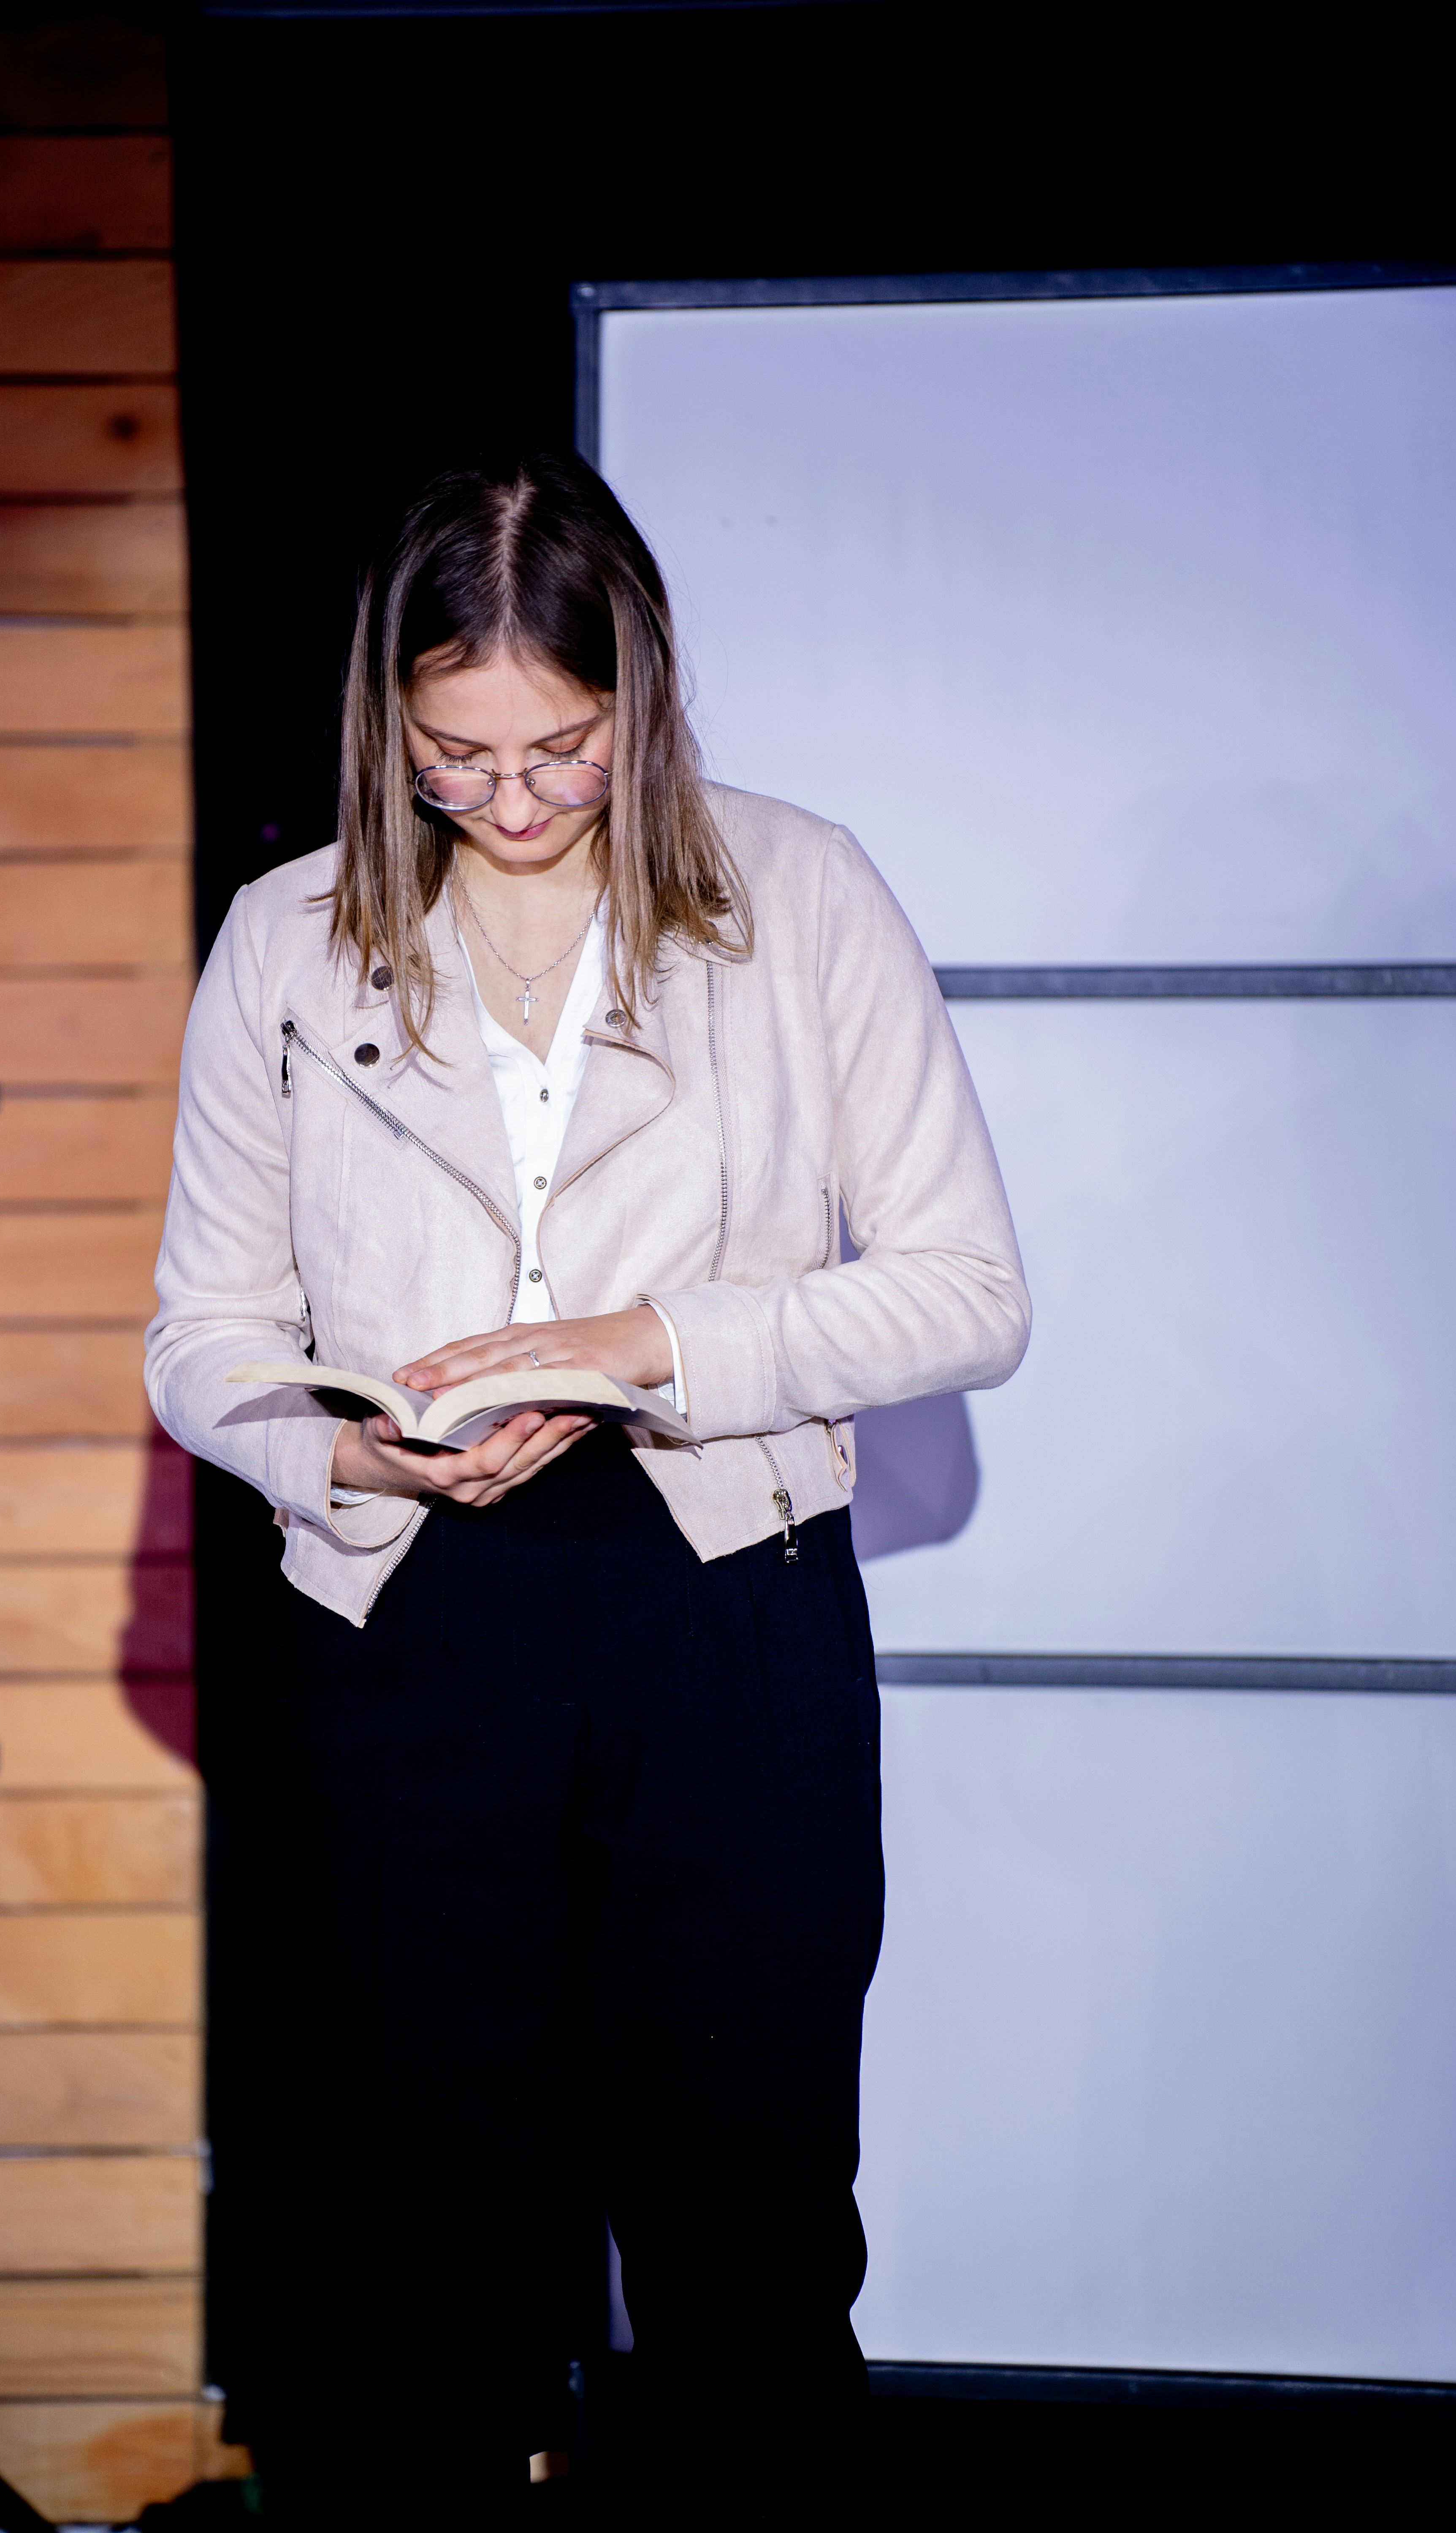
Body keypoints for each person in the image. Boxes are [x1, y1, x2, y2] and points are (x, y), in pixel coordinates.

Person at [145, 450, 1028, 2522]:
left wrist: (647, 1347)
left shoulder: (797, 889)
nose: (519, 800)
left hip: (726, 1605)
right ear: (390, 721)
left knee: (746, 2221)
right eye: (459, 756)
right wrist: (330, 1439)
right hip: (404, 1628)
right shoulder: (285, 937)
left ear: (639, 696)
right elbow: (200, 1338)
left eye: (565, 746)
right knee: (423, 2229)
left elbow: (966, 1296)